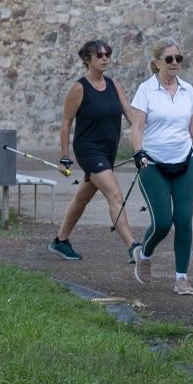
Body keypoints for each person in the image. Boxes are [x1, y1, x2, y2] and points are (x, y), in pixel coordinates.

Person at [126, 39, 193, 294]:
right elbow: (137, 126)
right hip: (153, 163)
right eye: (169, 59)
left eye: (178, 58)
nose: (174, 63)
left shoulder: (187, 90)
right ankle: (144, 254)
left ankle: (181, 278)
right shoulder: (146, 90)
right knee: (162, 222)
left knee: (184, 220)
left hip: (185, 162)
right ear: (157, 62)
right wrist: (137, 152)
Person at [49, 39, 139, 265]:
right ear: (87, 59)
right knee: (115, 194)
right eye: (99, 55)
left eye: (108, 53)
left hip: (108, 151)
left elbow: (131, 115)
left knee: (83, 197)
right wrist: (64, 157)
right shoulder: (79, 88)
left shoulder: (114, 85)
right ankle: (132, 247)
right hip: (88, 150)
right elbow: (66, 124)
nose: (105, 58)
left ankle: (60, 241)